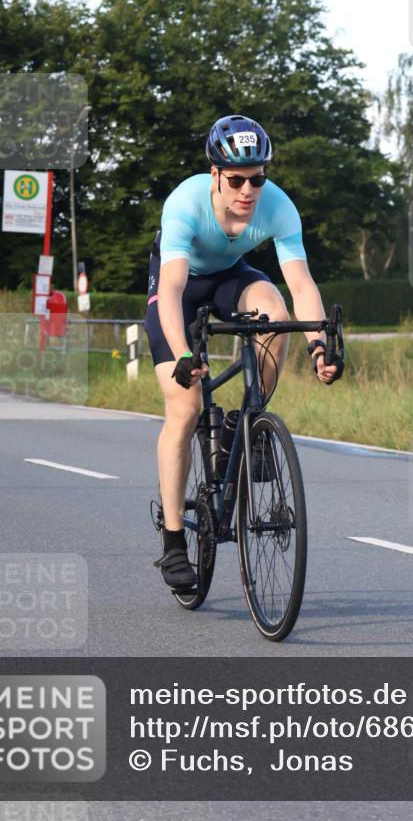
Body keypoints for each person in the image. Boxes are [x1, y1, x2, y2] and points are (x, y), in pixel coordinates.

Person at [144, 114, 344, 589]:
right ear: (214, 174)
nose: (248, 190)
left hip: (231, 275)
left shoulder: (279, 207)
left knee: (274, 310)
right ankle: (174, 542)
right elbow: (170, 292)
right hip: (181, 286)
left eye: (257, 178)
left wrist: (319, 346)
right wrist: (184, 355)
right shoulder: (185, 204)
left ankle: (246, 421)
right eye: (236, 180)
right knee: (186, 408)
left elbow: (300, 282)